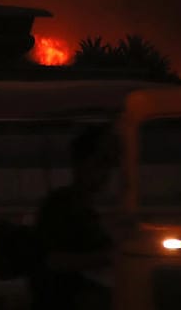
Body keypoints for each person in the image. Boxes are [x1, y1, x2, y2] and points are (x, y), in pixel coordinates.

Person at [30, 125, 118, 309]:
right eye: (101, 162)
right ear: (81, 163)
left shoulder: (86, 209)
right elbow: (51, 260)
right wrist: (107, 257)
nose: (107, 173)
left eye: (111, 164)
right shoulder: (60, 206)